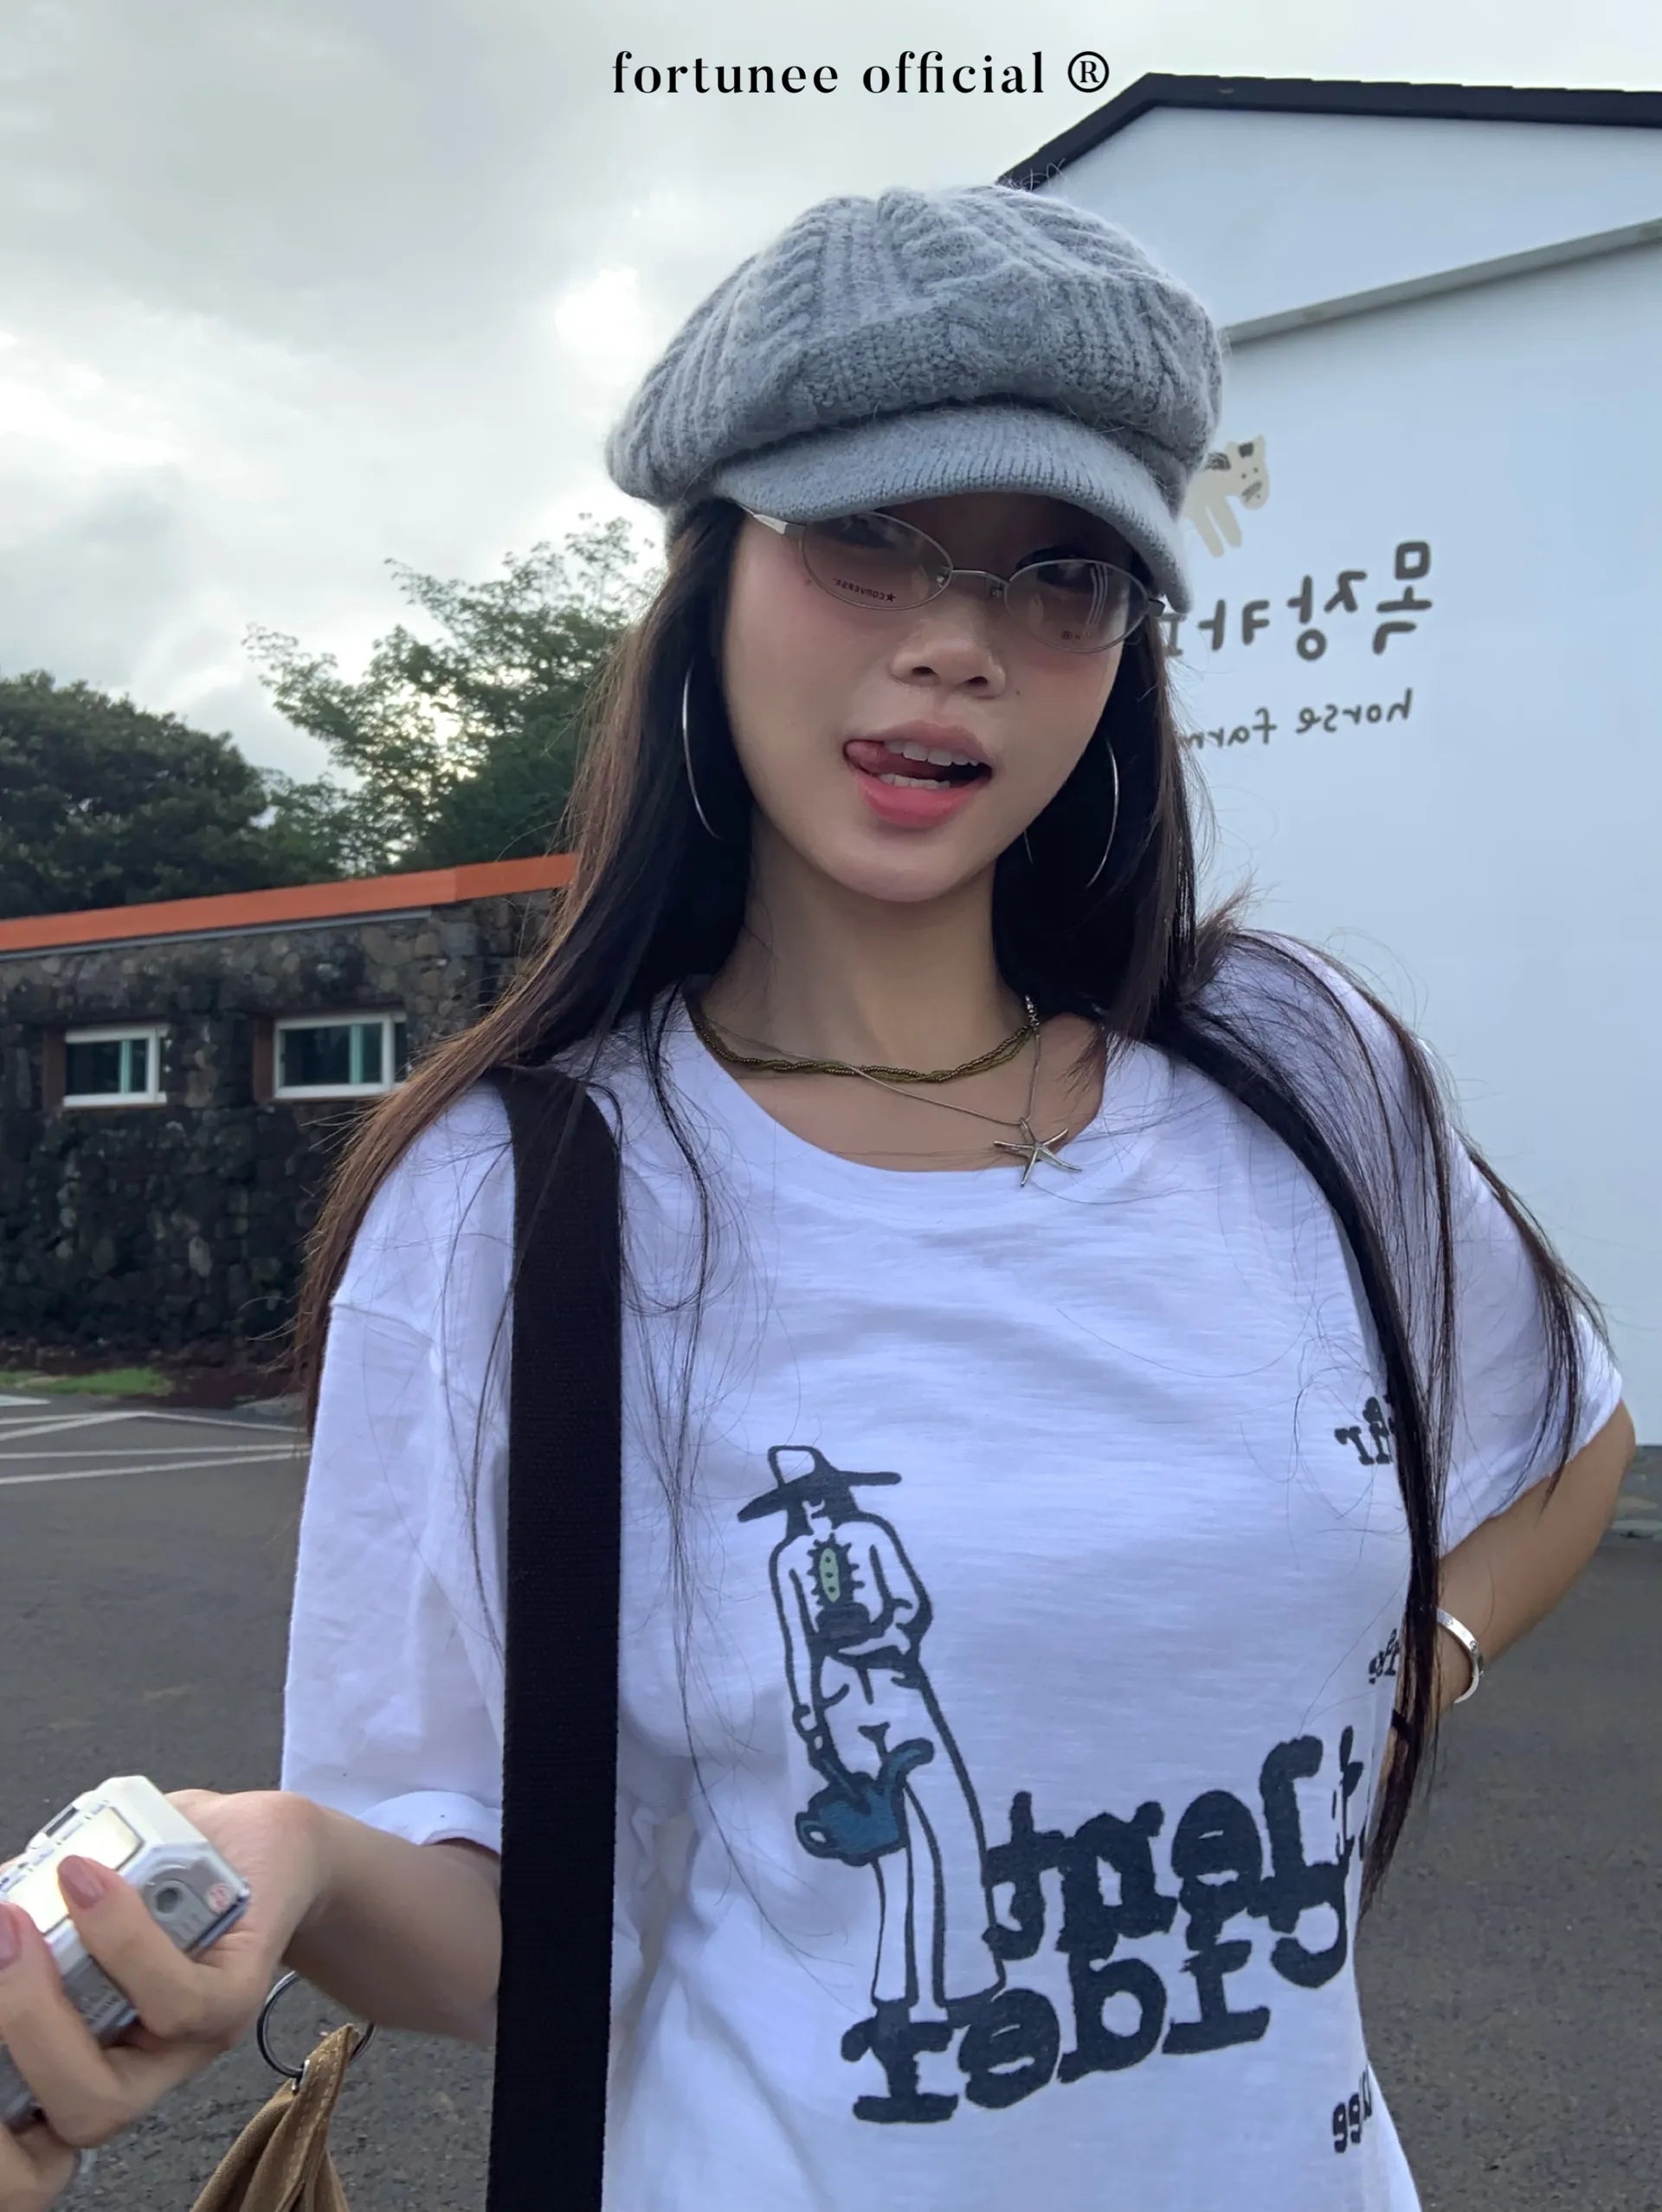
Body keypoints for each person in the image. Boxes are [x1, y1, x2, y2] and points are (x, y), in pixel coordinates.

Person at [0, 183, 1635, 2211]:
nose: (956, 642)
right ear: (711, 578)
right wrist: (310, 1863)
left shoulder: (1296, 1067)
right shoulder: (515, 1197)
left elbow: (1567, 1436)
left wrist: (1416, 1670)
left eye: (1060, 575)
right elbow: (507, 1931)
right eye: (868, 541)